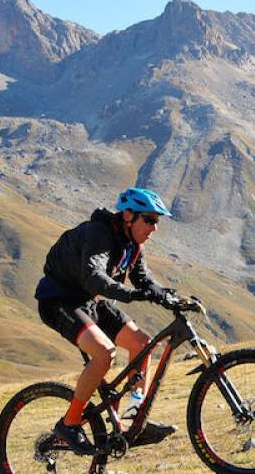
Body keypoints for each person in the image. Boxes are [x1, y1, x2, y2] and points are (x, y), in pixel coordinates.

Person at [34, 187, 181, 454]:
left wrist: (170, 297)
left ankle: (132, 419)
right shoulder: (99, 234)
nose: (154, 228)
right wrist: (132, 294)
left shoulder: (132, 245)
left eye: (156, 222)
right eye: (149, 219)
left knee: (142, 344)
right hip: (60, 300)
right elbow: (94, 277)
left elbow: (144, 280)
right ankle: (69, 423)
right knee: (104, 353)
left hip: (91, 301)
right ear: (128, 215)